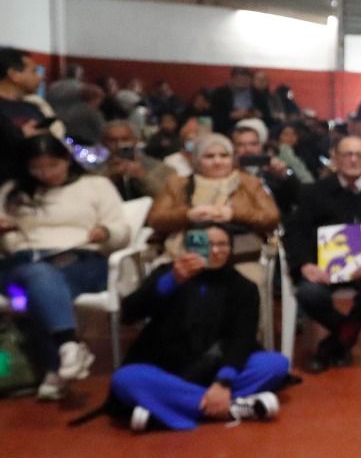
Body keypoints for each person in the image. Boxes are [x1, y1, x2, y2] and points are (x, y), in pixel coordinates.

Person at [109, 226, 288, 431]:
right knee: (125, 379)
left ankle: (168, 409)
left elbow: (242, 338)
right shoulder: (167, 274)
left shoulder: (243, 287)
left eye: (222, 245)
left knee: (276, 364)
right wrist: (172, 281)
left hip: (218, 368)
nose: (214, 251)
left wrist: (223, 383)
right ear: (190, 247)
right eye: (207, 245)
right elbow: (130, 313)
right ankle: (232, 409)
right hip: (168, 369)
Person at [0, 135, 131, 400]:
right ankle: (68, 345)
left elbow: (121, 231)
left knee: (39, 283)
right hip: (24, 261)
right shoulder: (12, 191)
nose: (46, 174)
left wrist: (105, 232)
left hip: (81, 258)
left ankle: (56, 363)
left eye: (53, 165)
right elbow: (8, 243)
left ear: (67, 160)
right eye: (37, 167)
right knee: (38, 276)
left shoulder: (96, 185)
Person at [285, 136, 361, 371]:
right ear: (335, 159)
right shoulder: (313, 192)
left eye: (359, 155)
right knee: (309, 294)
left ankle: (330, 346)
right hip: (323, 267)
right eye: (347, 154)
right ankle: (344, 338)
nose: (353, 160)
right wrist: (306, 265)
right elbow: (295, 232)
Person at [148, 133, 280, 293]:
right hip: (185, 256)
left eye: (224, 156)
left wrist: (234, 214)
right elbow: (156, 219)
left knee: (246, 287)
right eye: (209, 156)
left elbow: (271, 218)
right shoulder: (177, 184)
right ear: (196, 160)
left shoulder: (249, 183)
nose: (217, 161)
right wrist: (188, 214)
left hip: (239, 258)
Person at [232, 120, 300, 220]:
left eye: (253, 144)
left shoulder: (273, 169)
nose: (248, 149)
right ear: (233, 148)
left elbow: (298, 198)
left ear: (261, 146)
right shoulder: (228, 172)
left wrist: (284, 175)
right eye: (241, 145)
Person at [99, 119, 172, 201]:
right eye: (112, 141)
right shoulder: (96, 171)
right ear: (104, 143)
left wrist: (142, 176)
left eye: (125, 139)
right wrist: (109, 177)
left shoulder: (159, 167)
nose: (119, 145)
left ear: (135, 140)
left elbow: (168, 198)